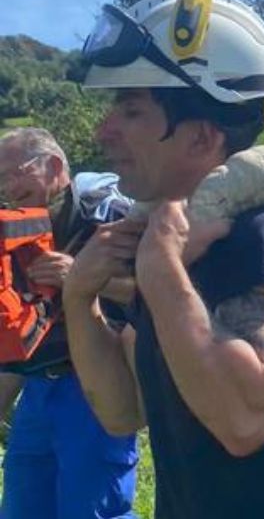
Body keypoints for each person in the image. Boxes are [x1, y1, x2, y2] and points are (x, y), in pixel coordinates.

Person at [63, 0, 264, 518]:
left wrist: (160, 270)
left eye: (130, 110)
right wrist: (80, 297)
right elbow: (124, 411)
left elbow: (247, 420)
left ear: (201, 137)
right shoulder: (171, 245)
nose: (104, 131)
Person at [0, 128, 137, 519]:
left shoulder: (108, 217)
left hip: (95, 389)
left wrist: (81, 277)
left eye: (15, 173)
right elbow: (19, 327)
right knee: (21, 508)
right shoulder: (17, 232)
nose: (8, 187)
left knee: (92, 510)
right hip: (37, 391)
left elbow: (152, 292)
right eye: (0, 179)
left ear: (54, 165)